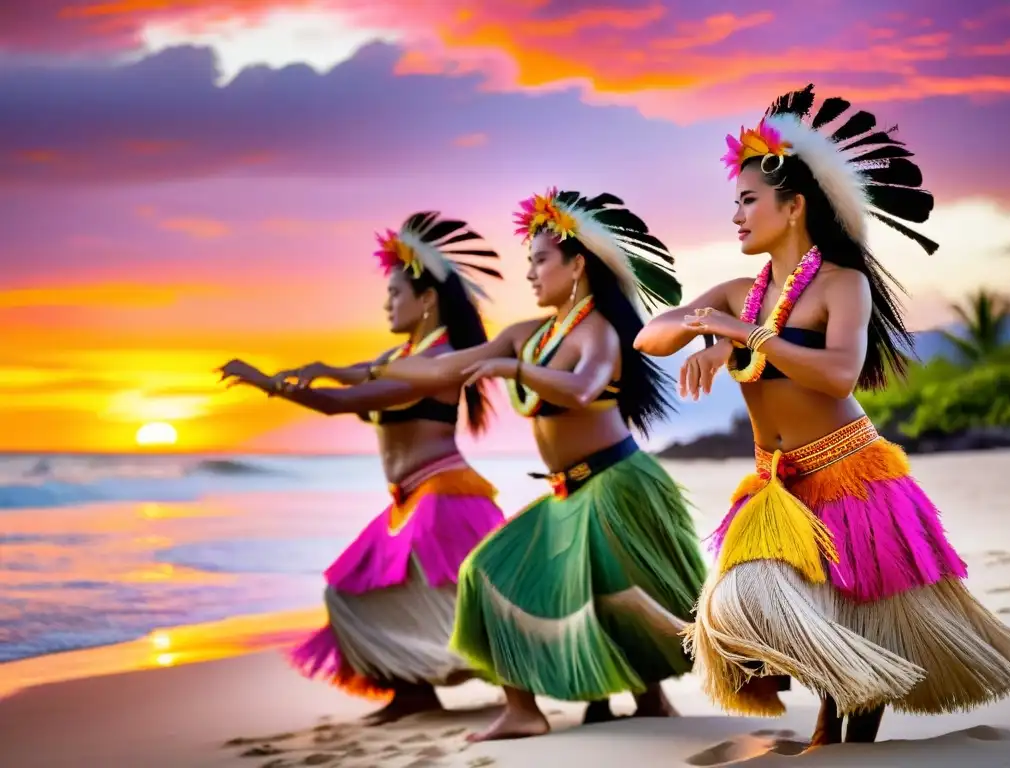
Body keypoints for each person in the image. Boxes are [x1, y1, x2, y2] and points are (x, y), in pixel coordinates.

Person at [635, 83, 1010, 747]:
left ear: (793, 208)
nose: (736, 216)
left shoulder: (842, 284)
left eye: (748, 201)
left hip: (850, 472)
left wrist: (747, 335)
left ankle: (847, 733)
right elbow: (652, 337)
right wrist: (711, 331)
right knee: (744, 600)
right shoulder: (737, 293)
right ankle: (828, 716)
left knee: (862, 608)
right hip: (776, 483)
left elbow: (839, 371)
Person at [368, 189, 708, 741]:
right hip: (566, 492)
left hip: (616, 486)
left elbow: (582, 389)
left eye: (540, 260)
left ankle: (651, 696)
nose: (529, 273)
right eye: (528, 261)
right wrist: (357, 376)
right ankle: (527, 709)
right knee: (486, 574)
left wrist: (512, 370)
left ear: (577, 265)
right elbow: (445, 368)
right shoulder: (530, 334)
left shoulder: (596, 331)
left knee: (627, 598)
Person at [216, 211, 507, 725]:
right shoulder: (401, 354)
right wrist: (323, 370)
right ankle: (413, 691)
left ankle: (499, 677)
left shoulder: (439, 359)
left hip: (442, 497)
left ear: (427, 300)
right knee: (353, 591)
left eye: (396, 293)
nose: (388, 303)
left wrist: (268, 382)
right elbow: (358, 375)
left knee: (451, 605)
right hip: (408, 499)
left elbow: (343, 401)